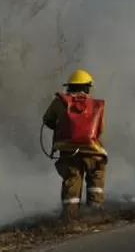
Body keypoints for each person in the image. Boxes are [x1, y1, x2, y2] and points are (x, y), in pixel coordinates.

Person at [42, 68, 108, 222]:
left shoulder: (59, 102)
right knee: (96, 176)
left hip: (67, 150)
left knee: (72, 180)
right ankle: (95, 212)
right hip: (92, 149)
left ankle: (70, 218)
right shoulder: (95, 105)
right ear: (87, 87)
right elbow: (101, 129)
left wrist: (64, 130)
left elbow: (47, 120)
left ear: (70, 86)